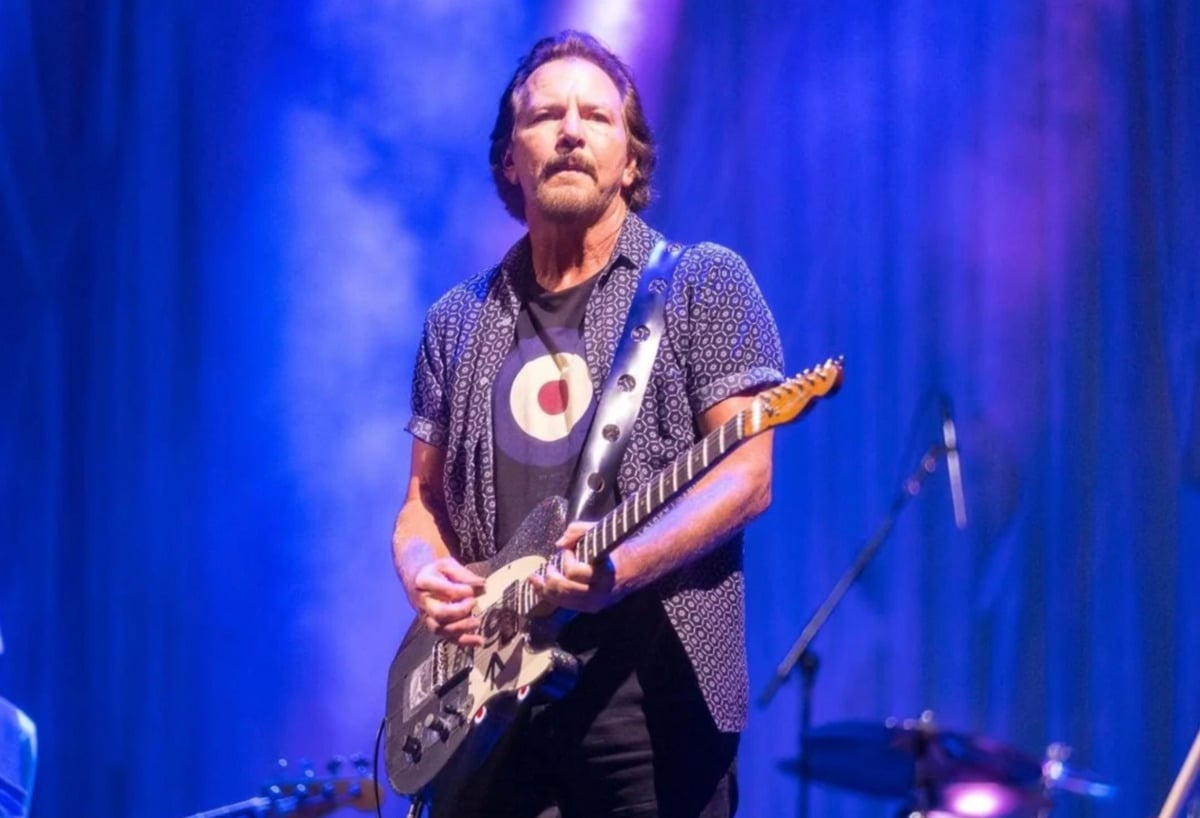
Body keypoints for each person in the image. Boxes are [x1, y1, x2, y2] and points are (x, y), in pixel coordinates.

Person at [392, 30, 783, 818]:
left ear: (632, 160)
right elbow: (420, 501)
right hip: (481, 707)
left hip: (646, 707)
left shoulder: (702, 284)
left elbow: (747, 476)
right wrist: (418, 563)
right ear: (511, 159)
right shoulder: (457, 320)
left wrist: (625, 566)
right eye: (546, 117)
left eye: (596, 117)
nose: (570, 131)